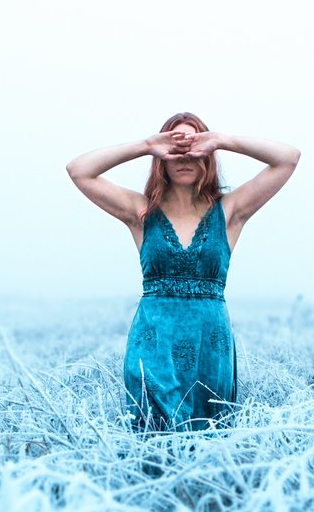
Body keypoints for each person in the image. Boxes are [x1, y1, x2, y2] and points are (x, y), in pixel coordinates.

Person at [66, 112, 299, 432]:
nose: (185, 157)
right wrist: (147, 145)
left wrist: (220, 140)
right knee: (151, 437)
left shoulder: (230, 211)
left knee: (210, 440)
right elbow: (79, 171)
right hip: (153, 345)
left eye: (194, 148)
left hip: (210, 347)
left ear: (208, 157)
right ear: (162, 158)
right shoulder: (140, 211)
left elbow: (287, 159)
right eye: (176, 149)